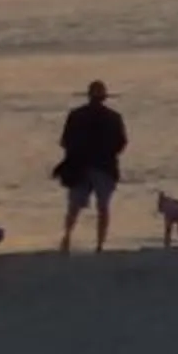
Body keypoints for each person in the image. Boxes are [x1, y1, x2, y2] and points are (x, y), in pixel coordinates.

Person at [55, 81, 128, 254]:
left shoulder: (76, 115)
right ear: (104, 97)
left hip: (79, 166)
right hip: (105, 167)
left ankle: (66, 237)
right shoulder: (113, 117)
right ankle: (100, 244)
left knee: (74, 207)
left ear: (88, 95)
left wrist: (74, 157)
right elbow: (121, 143)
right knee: (103, 207)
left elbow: (65, 141)